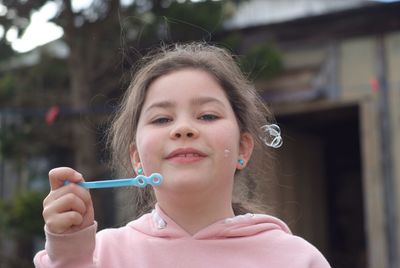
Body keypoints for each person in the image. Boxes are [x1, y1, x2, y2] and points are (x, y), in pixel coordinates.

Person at [34, 42, 330, 267]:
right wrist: (70, 256)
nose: (184, 129)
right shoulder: (99, 255)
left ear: (243, 148)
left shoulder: (295, 259)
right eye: (162, 119)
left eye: (208, 116)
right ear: (137, 159)